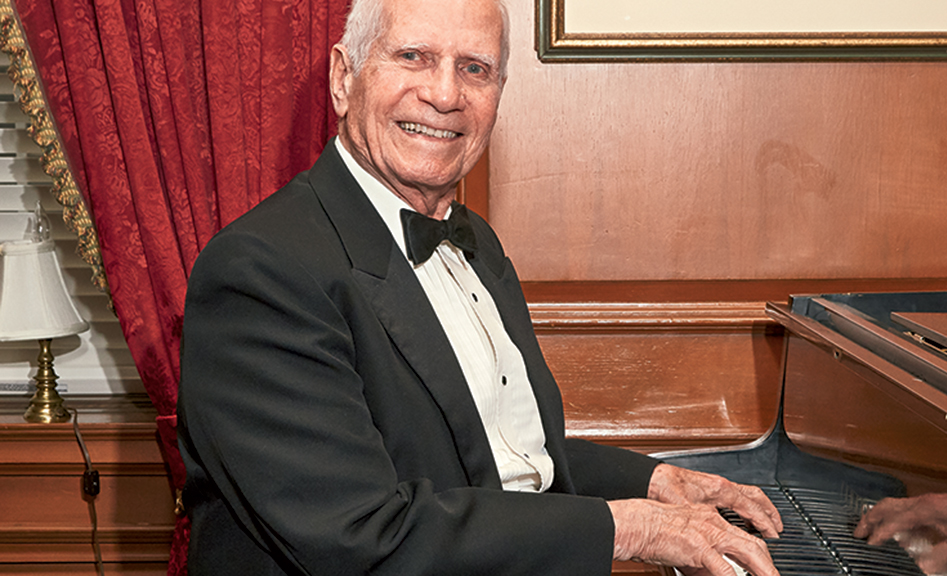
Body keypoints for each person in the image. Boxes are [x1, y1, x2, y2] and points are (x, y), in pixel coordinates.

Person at [176, 0, 783, 574]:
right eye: (413, 57)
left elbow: (497, 456)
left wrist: (654, 482)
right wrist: (631, 528)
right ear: (343, 78)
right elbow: (361, 537)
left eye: (475, 69)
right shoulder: (260, 272)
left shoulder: (477, 244)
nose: (445, 95)